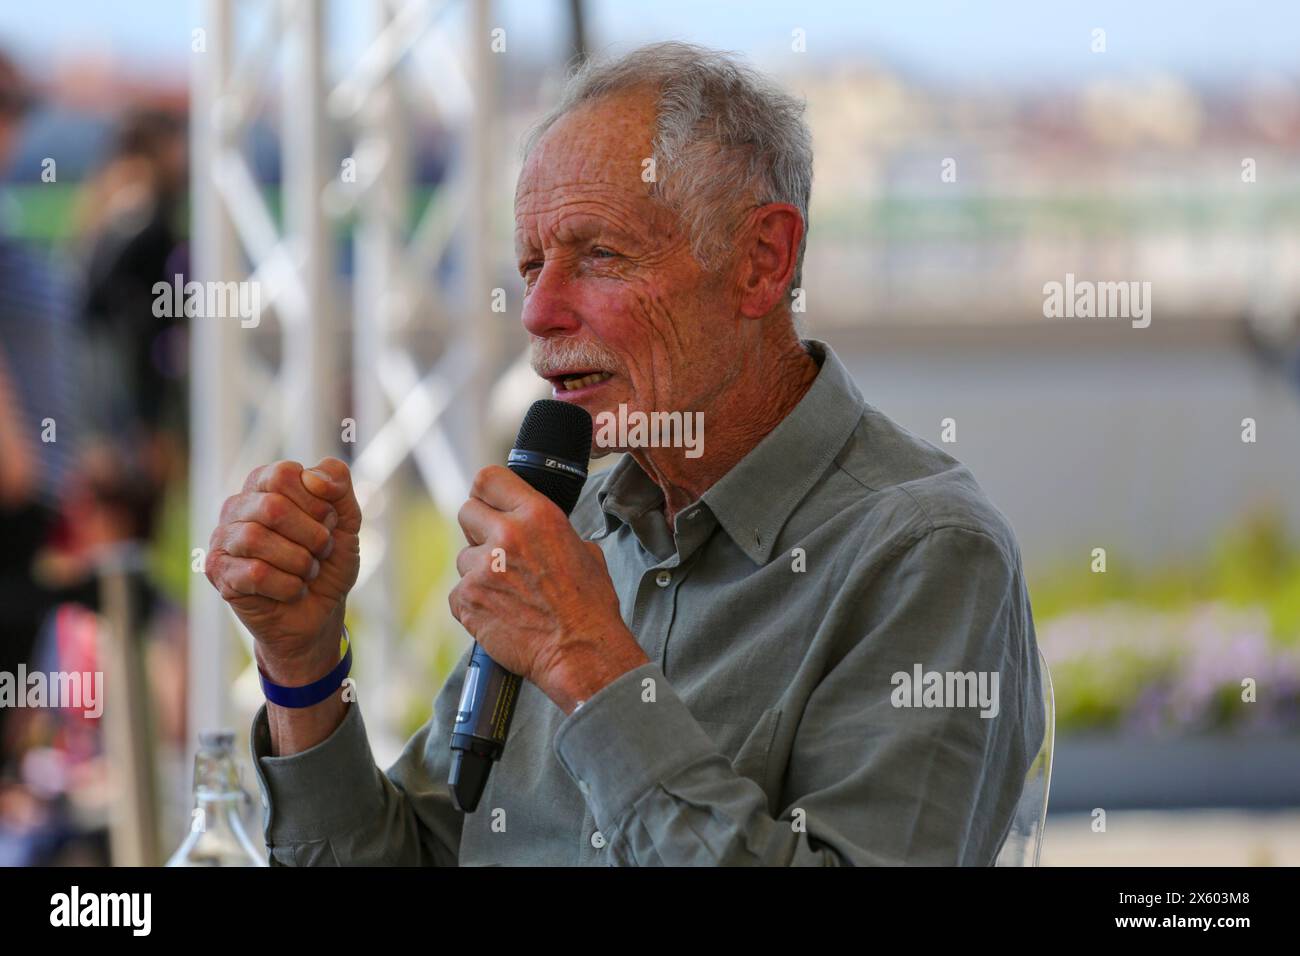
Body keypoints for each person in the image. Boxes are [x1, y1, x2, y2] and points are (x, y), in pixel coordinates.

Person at [205, 42, 1045, 865]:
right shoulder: (574, 523)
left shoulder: (924, 551)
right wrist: (303, 666)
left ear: (761, 262)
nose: (537, 312)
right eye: (531, 265)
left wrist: (587, 661)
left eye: (598, 255)